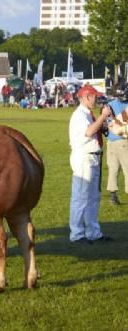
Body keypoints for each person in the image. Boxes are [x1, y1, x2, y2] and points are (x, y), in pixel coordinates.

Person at [68, 85, 112, 244]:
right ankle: (77, 233)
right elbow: (88, 132)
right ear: (86, 97)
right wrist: (102, 117)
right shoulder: (79, 115)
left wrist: (105, 120)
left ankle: (93, 231)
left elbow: (100, 131)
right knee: (80, 196)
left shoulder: (89, 114)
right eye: (94, 96)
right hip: (83, 157)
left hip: (93, 157)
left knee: (93, 197)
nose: (97, 99)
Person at [105, 99, 128, 205]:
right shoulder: (126, 106)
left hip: (110, 141)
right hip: (123, 140)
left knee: (113, 170)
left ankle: (113, 196)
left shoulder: (109, 104)